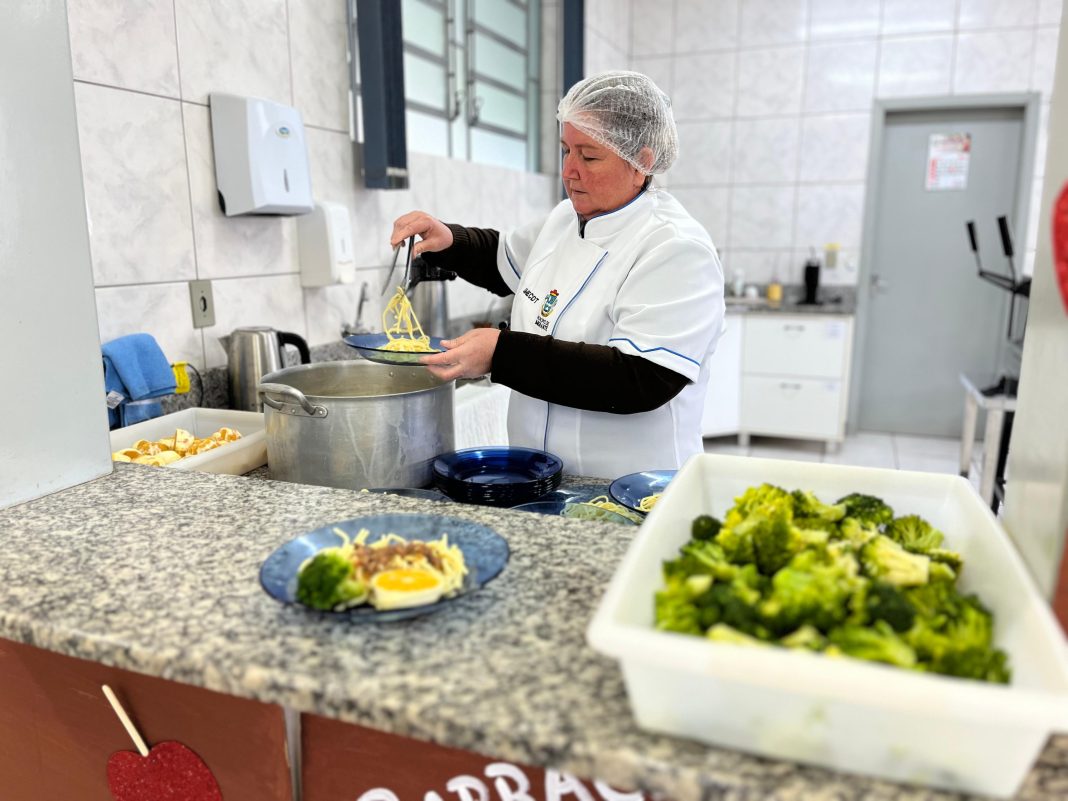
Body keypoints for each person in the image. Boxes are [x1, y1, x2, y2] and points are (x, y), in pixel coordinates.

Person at [390, 71, 725, 478]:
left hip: (634, 486)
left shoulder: (675, 247)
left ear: (642, 163)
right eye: (566, 150)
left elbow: (640, 378)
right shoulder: (566, 218)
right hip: (539, 480)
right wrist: (450, 240)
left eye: (589, 156)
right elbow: (504, 258)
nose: (569, 171)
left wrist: (501, 354)